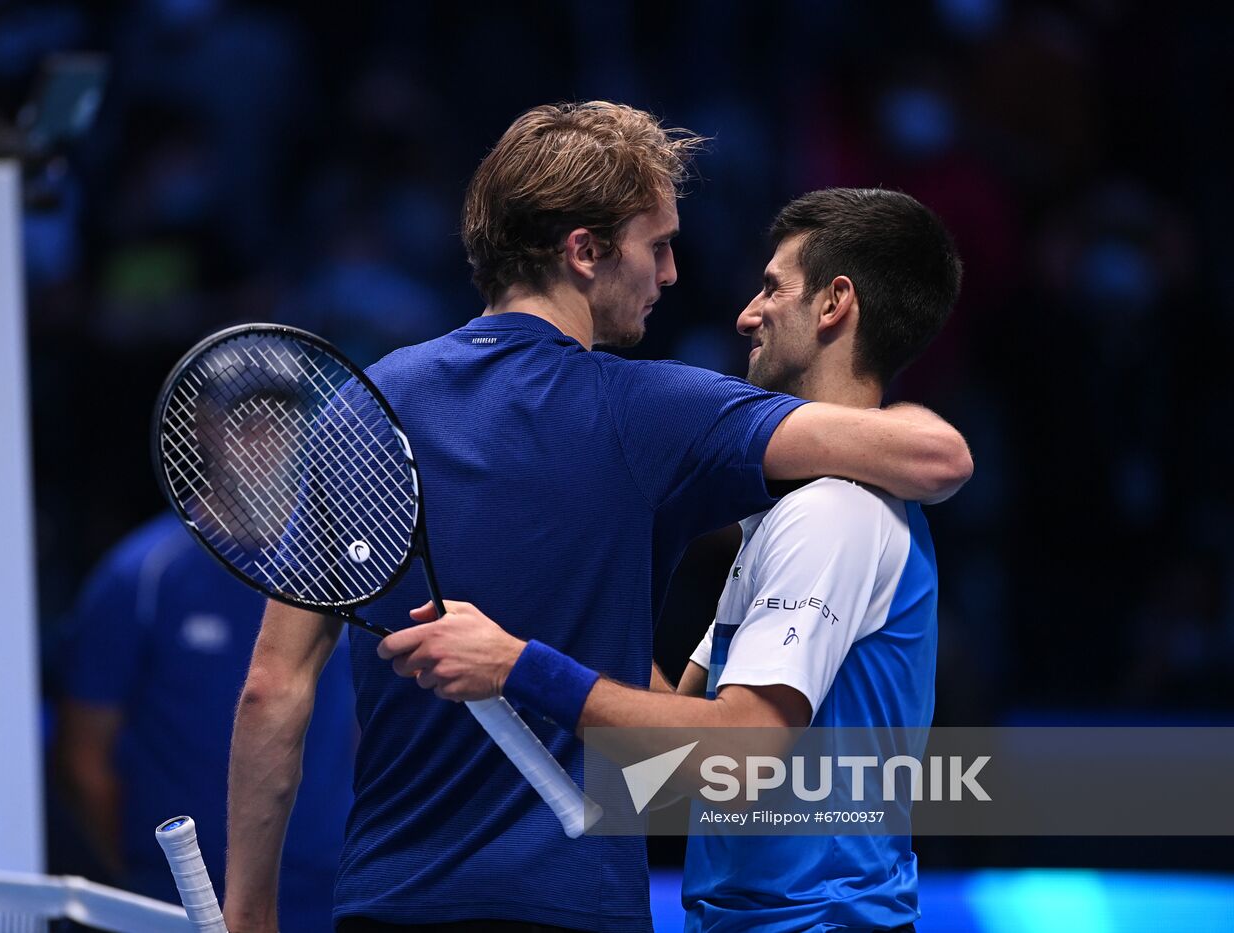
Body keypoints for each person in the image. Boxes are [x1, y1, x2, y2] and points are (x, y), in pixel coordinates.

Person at [225, 103, 971, 933]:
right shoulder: (650, 410)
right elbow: (937, 457)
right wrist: (533, 664)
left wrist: (249, 908)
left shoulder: (363, 408)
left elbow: (272, 688)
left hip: (387, 903)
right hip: (576, 910)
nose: (673, 274)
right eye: (657, 245)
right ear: (585, 252)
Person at [56, 513, 355, 932]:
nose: (266, 444)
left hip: (335, 896)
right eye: (249, 438)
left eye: (282, 438)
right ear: (198, 440)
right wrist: (135, 879)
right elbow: (84, 758)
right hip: (172, 897)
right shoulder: (139, 576)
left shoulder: (355, 569)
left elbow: (370, 728)